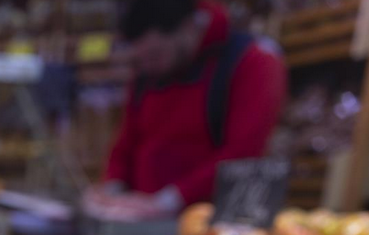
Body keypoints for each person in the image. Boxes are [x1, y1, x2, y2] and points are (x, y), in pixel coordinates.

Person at [84, 0, 287, 221]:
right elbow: (126, 141)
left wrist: (167, 201)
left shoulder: (252, 61)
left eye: (155, 55)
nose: (149, 66)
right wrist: (112, 191)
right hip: (143, 222)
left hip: (215, 224)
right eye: (140, 60)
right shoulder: (147, 72)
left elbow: (242, 153)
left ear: (189, 27)